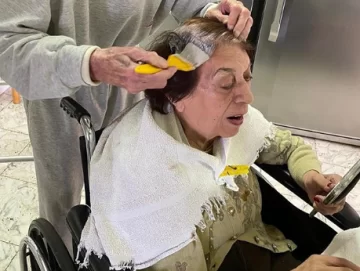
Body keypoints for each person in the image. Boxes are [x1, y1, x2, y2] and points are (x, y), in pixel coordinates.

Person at [78, 18, 360, 271]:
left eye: (247, 77)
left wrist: (310, 177)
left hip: (268, 248)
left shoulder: (235, 125)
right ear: (177, 96)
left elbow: (290, 147)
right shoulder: (147, 184)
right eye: (227, 84)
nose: (247, 96)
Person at [0, 0, 253, 251]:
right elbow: (9, 46)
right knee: (61, 202)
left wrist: (208, 10)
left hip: (129, 77)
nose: (246, 97)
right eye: (226, 84)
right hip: (54, 81)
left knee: (123, 190)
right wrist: (92, 64)